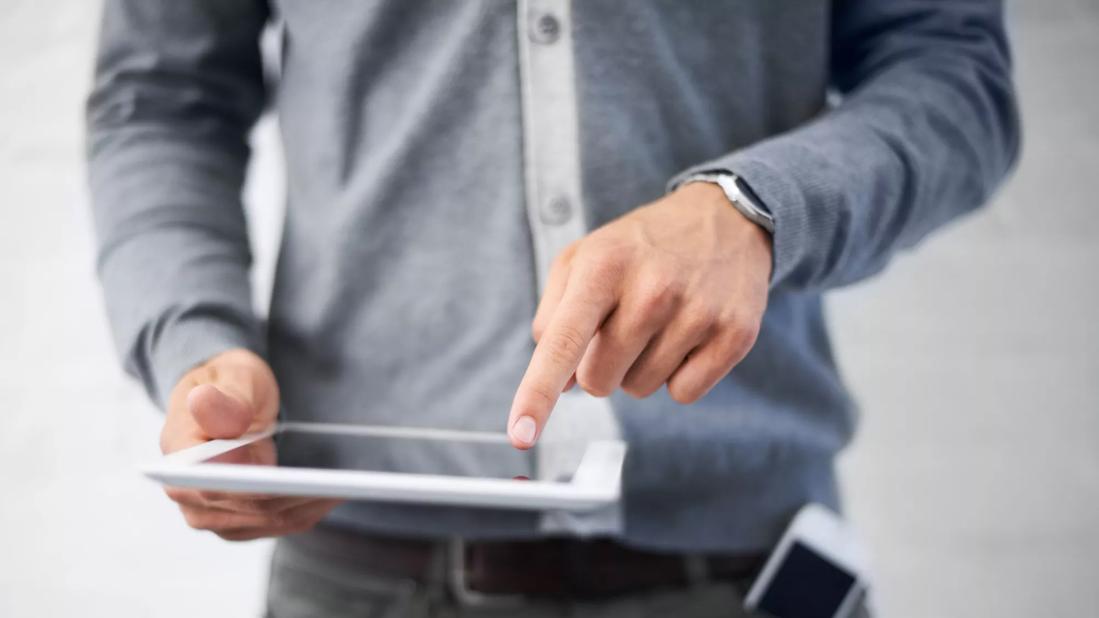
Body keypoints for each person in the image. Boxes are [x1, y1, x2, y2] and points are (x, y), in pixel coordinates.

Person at [86, 1, 1019, 616]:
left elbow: (952, 70)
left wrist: (754, 211)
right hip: (360, 571)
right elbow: (160, 98)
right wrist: (193, 339)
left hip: (743, 567)